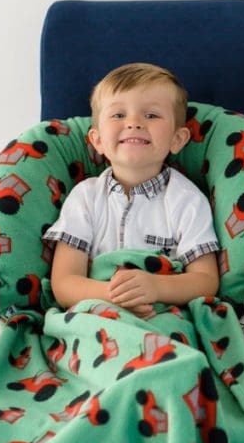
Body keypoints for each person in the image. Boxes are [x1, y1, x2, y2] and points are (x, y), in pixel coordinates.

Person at [44, 62, 220, 317]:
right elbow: (64, 284)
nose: (134, 123)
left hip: (162, 318)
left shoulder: (188, 201)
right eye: (118, 115)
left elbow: (206, 281)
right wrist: (116, 297)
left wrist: (156, 287)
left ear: (177, 139)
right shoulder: (85, 198)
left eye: (151, 115)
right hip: (96, 317)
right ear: (98, 140)